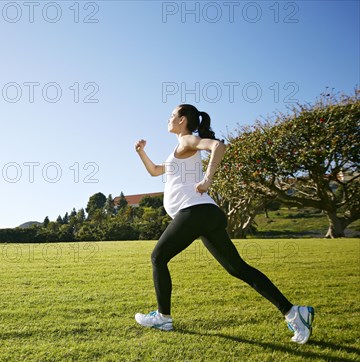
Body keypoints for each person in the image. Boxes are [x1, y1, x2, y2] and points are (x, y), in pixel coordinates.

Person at [133, 104, 314, 344]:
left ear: (183, 120)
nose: (168, 119)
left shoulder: (188, 140)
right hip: (205, 214)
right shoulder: (179, 148)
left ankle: (164, 317)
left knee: (158, 257)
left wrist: (207, 180)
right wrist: (141, 152)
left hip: (194, 211)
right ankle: (294, 312)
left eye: (172, 116)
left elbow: (218, 146)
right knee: (237, 268)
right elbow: (155, 171)